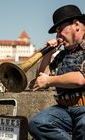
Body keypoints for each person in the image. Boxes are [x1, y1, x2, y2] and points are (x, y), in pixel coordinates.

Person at [28, 5, 85, 140]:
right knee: (37, 123)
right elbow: (41, 77)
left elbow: (81, 79)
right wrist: (48, 53)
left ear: (76, 24)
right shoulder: (62, 55)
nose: (58, 36)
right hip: (64, 109)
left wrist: (49, 81)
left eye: (60, 30)